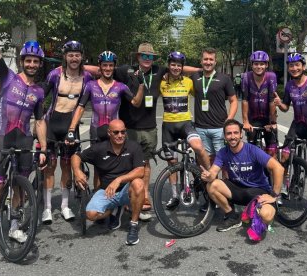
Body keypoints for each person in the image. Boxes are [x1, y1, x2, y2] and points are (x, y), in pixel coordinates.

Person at [0, 14, 47, 257]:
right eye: (29, 60)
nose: (32, 64)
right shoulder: (7, 77)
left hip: (24, 140)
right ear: (23, 60)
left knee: (20, 190)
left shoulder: (38, 91)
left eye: (36, 61)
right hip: (2, 138)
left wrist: (43, 147)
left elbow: (40, 121)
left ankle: (14, 227)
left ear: (39, 64)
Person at [116, 43, 199, 213]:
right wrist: (68, 65)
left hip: (150, 127)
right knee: (128, 162)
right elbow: (102, 70)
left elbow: (178, 66)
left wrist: (204, 69)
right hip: (130, 127)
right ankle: (128, 195)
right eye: (144, 56)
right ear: (138, 57)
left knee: (146, 162)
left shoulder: (159, 71)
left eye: (150, 57)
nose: (147, 59)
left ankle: (145, 195)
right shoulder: (127, 71)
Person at [67, 50, 143, 190]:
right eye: (105, 65)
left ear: (114, 66)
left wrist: (141, 85)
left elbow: (136, 103)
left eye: (110, 65)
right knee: (98, 167)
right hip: (97, 131)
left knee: (119, 163)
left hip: (115, 131)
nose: (108, 68)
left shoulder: (120, 87)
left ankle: (119, 196)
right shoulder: (90, 85)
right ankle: (98, 196)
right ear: (100, 66)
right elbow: (81, 107)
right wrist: (71, 129)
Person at [200, 119, 283, 235]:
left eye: (235, 133)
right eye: (229, 133)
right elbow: (213, 172)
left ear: (241, 134)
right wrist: (209, 176)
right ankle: (232, 216)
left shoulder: (253, 150)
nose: (232, 136)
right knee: (212, 185)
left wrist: (274, 196)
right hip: (237, 190)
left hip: (257, 191)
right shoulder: (223, 152)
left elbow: (278, 168)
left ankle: (255, 213)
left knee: (267, 216)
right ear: (224, 136)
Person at [41, 40, 93, 224]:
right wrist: (37, 121)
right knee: (50, 167)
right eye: (70, 55)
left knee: (67, 166)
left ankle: (64, 205)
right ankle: (47, 208)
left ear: (82, 57)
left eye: (77, 55)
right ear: (65, 57)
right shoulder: (55, 75)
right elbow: (40, 97)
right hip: (53, 123)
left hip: (71, 126)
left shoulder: (86, 77)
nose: (74, 58)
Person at [71, 119, 144, 245]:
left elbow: (140, 171)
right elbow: (76, 156)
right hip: (106, 191)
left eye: (123, 132)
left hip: (127, 190)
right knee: (91, 214)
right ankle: (113, 209)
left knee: (138, 183)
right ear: (109, 133)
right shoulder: (99, 149)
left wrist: (119, 179)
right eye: (116, 132)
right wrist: (77, 171)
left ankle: (133, 225)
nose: (120, 135)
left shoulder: (133, 146)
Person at [160, 51, 210, 209]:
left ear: (183, 67)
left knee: (198, 147)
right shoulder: (161, 82)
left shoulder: (189, 82)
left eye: (179, 65)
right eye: (173, 64)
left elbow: (201, 73)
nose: (175, 67)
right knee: (172, 163)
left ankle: (208, 179)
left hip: (185, 124)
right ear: (168, 65)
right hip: (168, 126)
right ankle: (175, 195)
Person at [273, 53, 307, 212]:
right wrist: (280, 103)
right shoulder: (289, 85)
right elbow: (286, 107)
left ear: (303, 66)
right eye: (291, 66)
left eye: (297, 65)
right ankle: (282, 189)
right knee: (285, 156)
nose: (294, 68)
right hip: (297, 124)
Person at [191, 48, 238, 166]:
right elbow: (181, 69)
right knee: (207, 161)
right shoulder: (195, 76)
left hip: (219, 127)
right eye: (205, 59)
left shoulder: (224, 78)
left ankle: (226, 184)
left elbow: (233, 100)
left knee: (223, 160)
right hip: (201, 127)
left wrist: (229, 119)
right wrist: (198, 69)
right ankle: (211, 184)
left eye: (211, 59)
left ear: (215, 62)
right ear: (201, 61)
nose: (208, 62)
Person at [241, 50, 278, 157]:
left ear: (266, 65)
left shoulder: (271, 77)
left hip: (267, 117)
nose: (259, 66)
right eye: (256, 64)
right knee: (252, 151)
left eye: (262, 64)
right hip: (252, 118)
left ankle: (272, 172)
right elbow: (245, 100)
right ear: (252, 65)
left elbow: (272, 101)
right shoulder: (246, 77)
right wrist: (245, 122)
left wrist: (272, 122)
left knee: (272, 152)